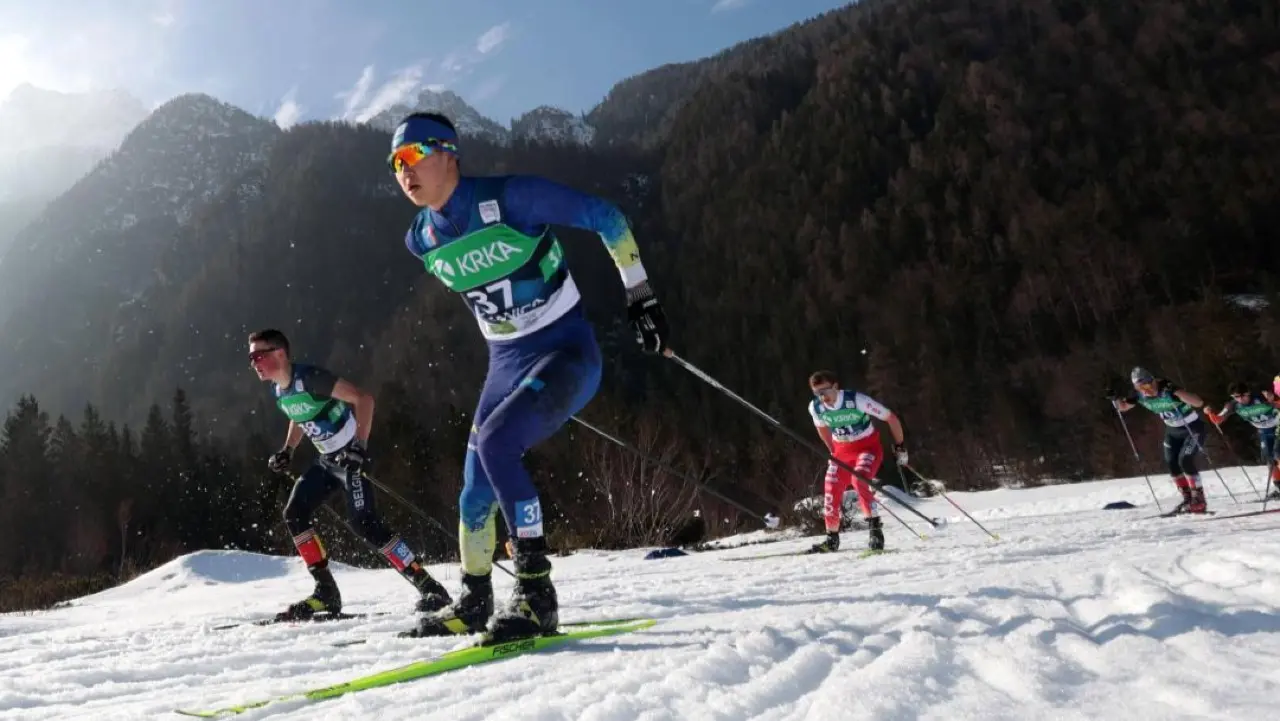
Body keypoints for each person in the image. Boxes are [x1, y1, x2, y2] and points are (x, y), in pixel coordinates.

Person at [386, 112, 670, 642]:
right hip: (505, 361)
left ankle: (537, 593)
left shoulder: (512, 198)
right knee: (473, 490)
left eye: (413, 155)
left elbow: (606, 217)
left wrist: (640, 295)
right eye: (394, 163)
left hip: (565, 351)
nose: (404, 171)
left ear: (449, 153)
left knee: (496, 444)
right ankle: (474, 600)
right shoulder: (420, 239)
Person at [248, 328, 450, 621]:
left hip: (351, 458)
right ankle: (326, 592)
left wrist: (360, 446)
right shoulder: (279, 390)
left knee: (365, 524)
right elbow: (299, 415)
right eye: (251, 357)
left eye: (258, 355)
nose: (253, 362)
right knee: (294, 513)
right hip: (328, 460)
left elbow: (364, 399)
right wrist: (287, 451)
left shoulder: (311, 378)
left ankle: (431, 588)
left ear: (279, 353)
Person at [806, 370, 908, 553]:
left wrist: (900, 446)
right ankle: (832, 538)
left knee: (860, 479)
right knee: (831, 485)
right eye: (817, 393)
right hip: (842, 450)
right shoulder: (816, 407)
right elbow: (822, 429)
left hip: (867, 448)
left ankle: (875, 532)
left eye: (826, 391)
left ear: (836, 386)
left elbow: (890, 417)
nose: (823, 397)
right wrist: (833, 451)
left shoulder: (856, 400)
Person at [1109, 366, 1210, 514]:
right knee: (1172, 463)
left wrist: (1177, 393)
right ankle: (1188, 498)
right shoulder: (1138, 395)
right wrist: (1115, 399)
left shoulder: (1166, 388)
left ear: (1153, 381)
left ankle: (1199, 500)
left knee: (1185, 460)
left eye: (1147, 385)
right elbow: (1123, 407)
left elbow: (1198, 403)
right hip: (1172, 431)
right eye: (1140, 387)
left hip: (1192, 428)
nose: (1145, 390)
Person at [1205, 382, 1280, 499]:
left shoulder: (1260, 397)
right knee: (1269, 459)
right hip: (1264, 431)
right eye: (1236, 397)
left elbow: (1276, 402)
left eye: (1243, 395)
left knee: (1278, 454)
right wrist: (1209, 412)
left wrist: (1272, 399)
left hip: (1278, 426)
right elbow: (1218, 420)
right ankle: (1278, 487)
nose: (1241, 399)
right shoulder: (1232, 405)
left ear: (1248, 393)